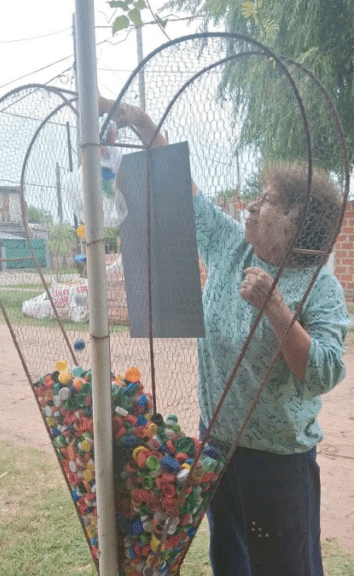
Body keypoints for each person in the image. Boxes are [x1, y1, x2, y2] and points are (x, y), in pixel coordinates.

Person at [104, 96, 348, 576]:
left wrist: (276, 309)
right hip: (216, 445)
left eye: (267, 200)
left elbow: (324, 372)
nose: (250, 206)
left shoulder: (319, 286)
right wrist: (142, 123)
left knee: (284, 567)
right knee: (230, 560)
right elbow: (183, 192)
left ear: (297, 220)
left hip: (277, 463)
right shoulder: (231, 244)